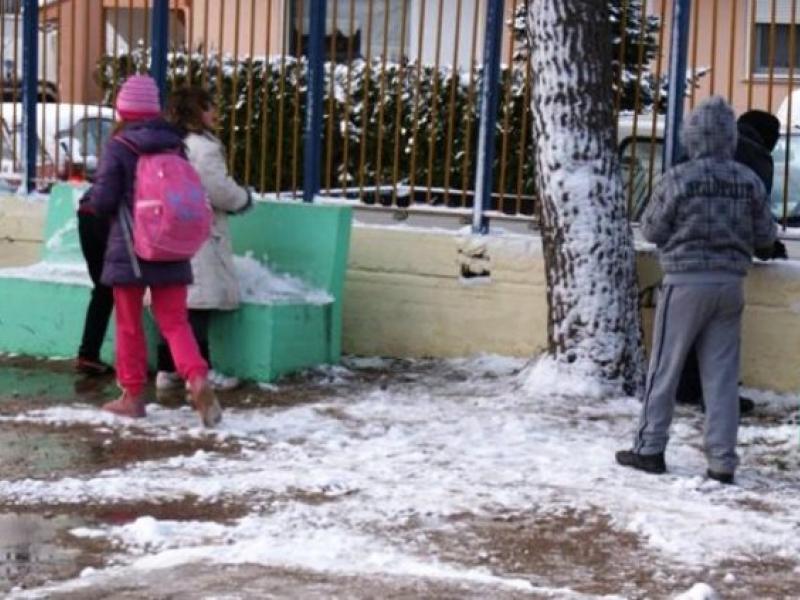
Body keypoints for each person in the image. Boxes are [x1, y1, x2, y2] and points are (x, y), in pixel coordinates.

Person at [616, 96, 777, 484]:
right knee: (721, 377)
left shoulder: (679, 178)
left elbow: (652, 230)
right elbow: (766, 235)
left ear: (692, 136)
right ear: (729, 137)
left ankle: (649, 448)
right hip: (731, 285)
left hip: (685, 284)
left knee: (664, 369)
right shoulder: (749, 179)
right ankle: (722, 462)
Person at [86, 74, 221, 427]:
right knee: (175, 322)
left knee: (129, 324)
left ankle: (132, 397)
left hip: (130, 249)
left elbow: (102, 201)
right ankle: (197, 378)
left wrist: (96, 210)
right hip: (172, 246)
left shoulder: (120, 146)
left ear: (123, 110)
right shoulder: (176, 145)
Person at [676, 109, 787, 412]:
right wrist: (767, 248)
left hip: (681, 263)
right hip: (725, 265)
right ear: (768, 137)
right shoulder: (756, 159)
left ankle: (682, 391)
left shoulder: (701, 147)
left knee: (681, 336)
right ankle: (715, 398)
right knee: (720, 340)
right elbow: (757, 215)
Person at [154, 86, 252, 393]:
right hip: (199, 233)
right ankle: (200, 372)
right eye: (209, 108)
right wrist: (244, 199)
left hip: (166, 230)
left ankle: (167, 368)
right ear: (196, 112)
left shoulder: (166, 142)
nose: (215, 114)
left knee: (171, 303)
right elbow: (217, 188)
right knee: (197, 304)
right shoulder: (203, 148)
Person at [75, 188, 115, 376]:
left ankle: (88, 355)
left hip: (88, 212)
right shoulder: (148, 161)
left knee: (104, 288)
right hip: (106, 215)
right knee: (113, 287)